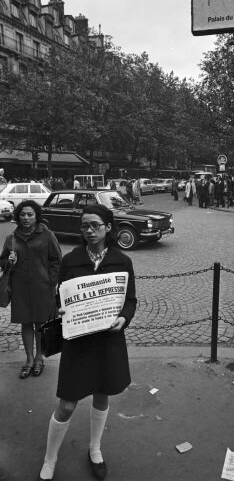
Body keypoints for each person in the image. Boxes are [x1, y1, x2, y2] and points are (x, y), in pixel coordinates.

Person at [39, 204, 137, 481]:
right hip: (78, 342)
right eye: (85, 226)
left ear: (108, 227)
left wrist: (124, 319)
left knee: (102, 395)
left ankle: (95, 449)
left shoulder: (121, 261)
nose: (90, 230)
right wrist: (57, 308)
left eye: (95, 225)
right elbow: (59, 297)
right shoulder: (71, 260)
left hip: (108, 340)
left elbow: (129, 300)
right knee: (67, 404)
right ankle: (50, 459)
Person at [0, 200, 62, 379]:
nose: (26, 218)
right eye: (22, 214)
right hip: (20, 287)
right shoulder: (11, 238)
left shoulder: (47, 235)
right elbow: (2, 261)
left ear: (36, 216)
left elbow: (56, 260)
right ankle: (28, 360)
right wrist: (8, 261)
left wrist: (51, 282)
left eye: (30, 214)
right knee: (26, 323)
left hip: (42, 287)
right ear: (18, 216)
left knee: (40, 324)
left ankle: (39, 359)